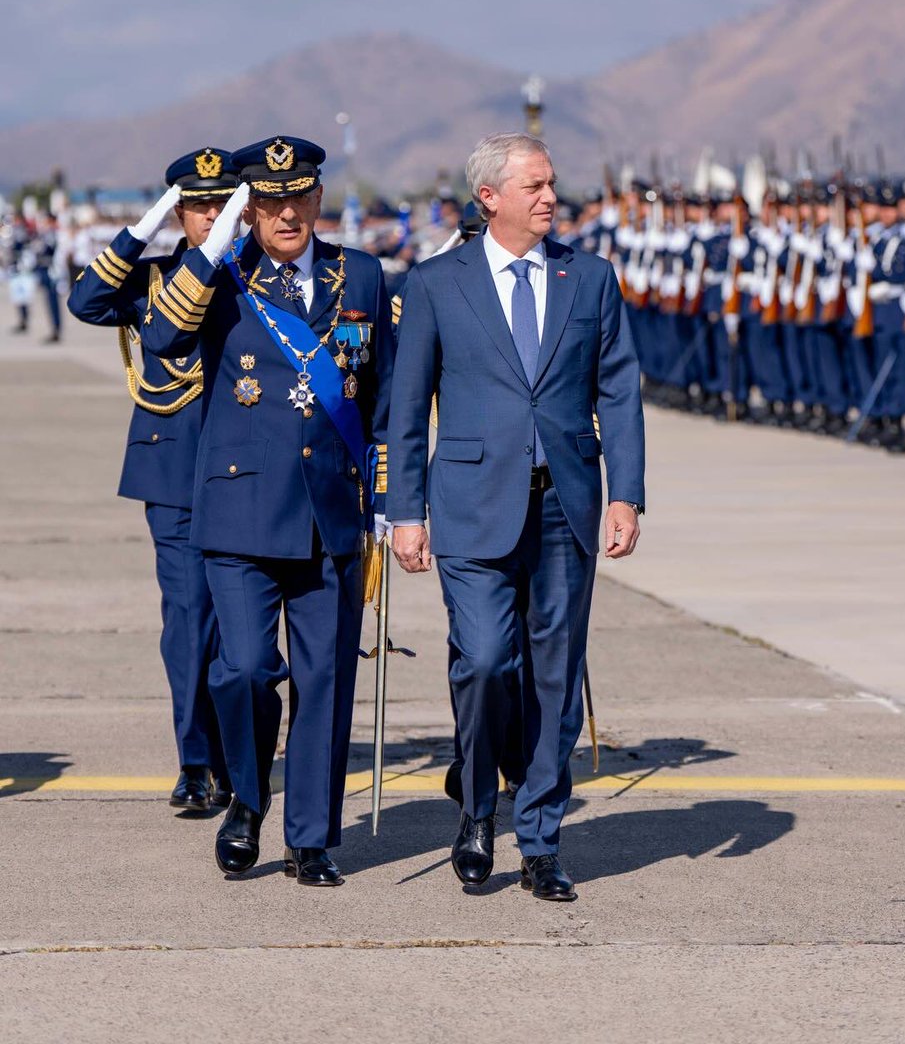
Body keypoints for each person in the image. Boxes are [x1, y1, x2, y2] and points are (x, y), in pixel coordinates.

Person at [388, 132, 645, 901]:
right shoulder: (437, 283)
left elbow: (619, 390)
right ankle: (475, 805)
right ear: (489, 197)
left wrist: (625, 492)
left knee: (554, 680)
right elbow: (407, 407)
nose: (549, 197)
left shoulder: (589, 277)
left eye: (552, 184)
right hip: (469, 505)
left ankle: (538, 838)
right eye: (533, 185)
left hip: (565, 506)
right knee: (486, 660)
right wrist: (404, 510)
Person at [141, 136, 394, 887]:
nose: (287, 212)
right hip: (241, 509)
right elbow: (160, 337)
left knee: (324, 683)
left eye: (300, 197)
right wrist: (213, 246)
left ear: (317, 198)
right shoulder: (222, 277)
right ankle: (247, 799)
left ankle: (310, 837)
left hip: (329, 518)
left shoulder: (363, 276)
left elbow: (378, 397)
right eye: (271, 200)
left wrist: (385, 498)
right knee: (246, 670)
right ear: (250, 207)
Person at [67, 150, 236, 813]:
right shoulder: (156, 277)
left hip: (248, 471)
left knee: (246, 631)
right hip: (173, 473)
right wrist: (150, 220)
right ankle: (198, 760)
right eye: (196, 205)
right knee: (190, 619)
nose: (210, 216)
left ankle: (238, 750)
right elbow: (86, 299)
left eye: (222, 204)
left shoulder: (257, 278)